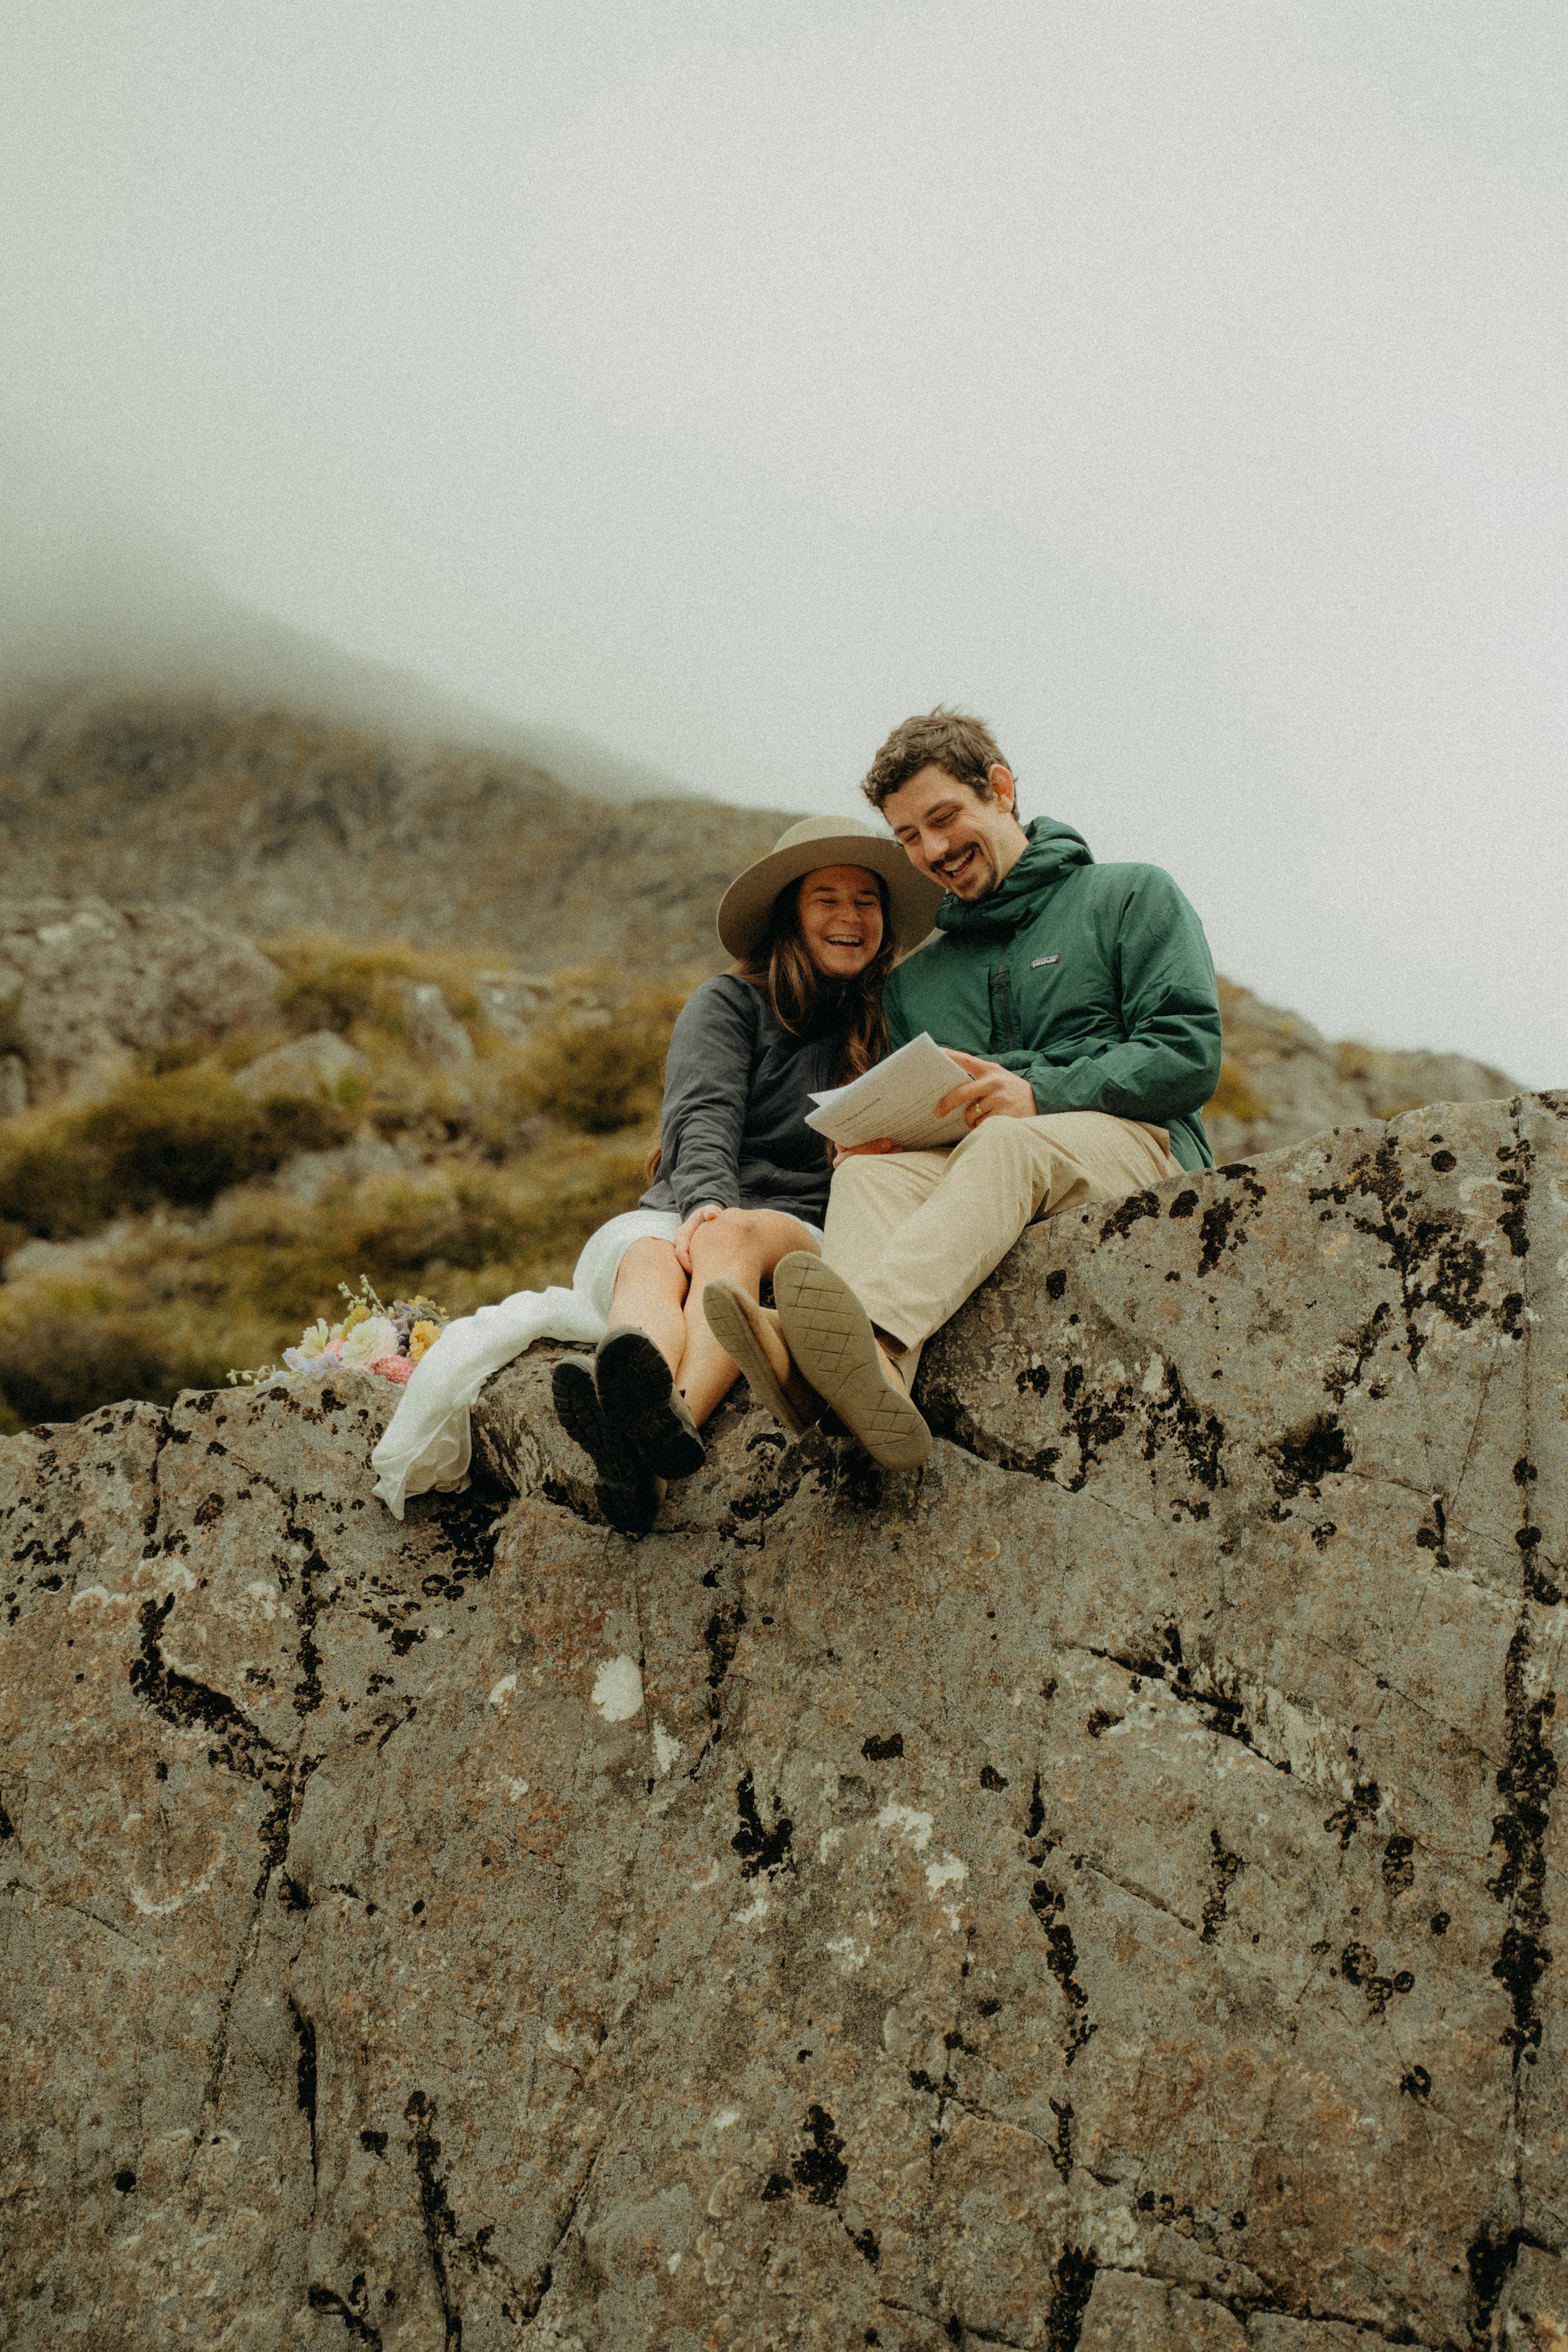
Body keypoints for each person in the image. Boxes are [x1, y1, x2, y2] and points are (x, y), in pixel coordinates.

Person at [710, 707, 1223, 1471]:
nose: (935, 851)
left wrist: (1038, 1091)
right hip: (992, 1165)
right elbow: (943, 1115)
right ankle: (872, 1395)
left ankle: (870, 1342)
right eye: (910, 837)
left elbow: (1188, 1053)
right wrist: (891, 1132)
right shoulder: (916, 979)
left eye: (944, 819)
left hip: (1141, 1149)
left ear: (1002, 790)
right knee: (869, 1175)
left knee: (1007, 1137)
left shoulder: (1130, 896)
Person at [549, 815, 943, 1531]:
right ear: (791, 912)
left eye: (867, 900)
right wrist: (700, 1203)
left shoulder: (896, 1015)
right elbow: (699, 1116)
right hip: (695, 1198)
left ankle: (665, 1429)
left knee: (733, 1236)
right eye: (828, 898)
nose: (850, 917)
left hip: (807, 1224)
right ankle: (636, 1422)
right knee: (647, 1257)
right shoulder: (727, 1004)